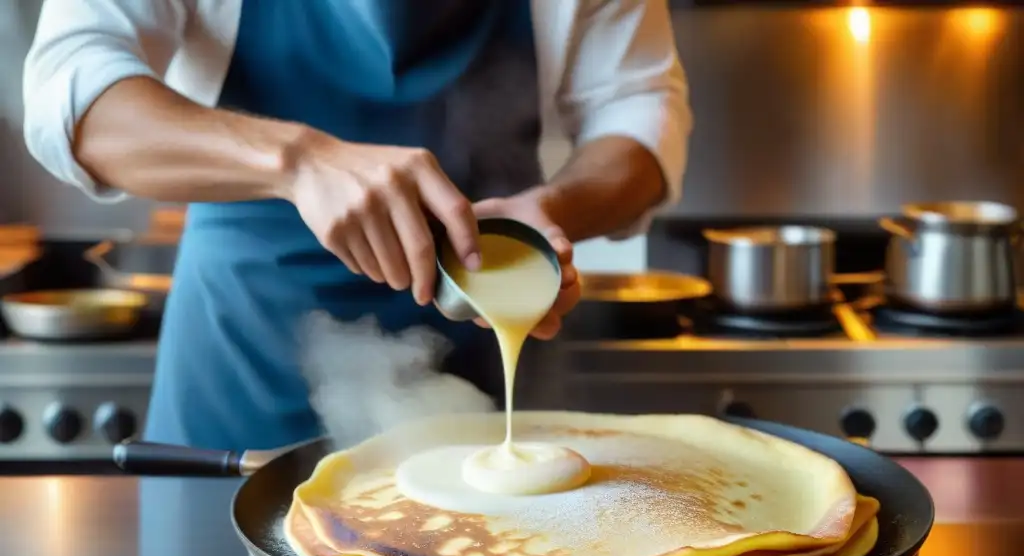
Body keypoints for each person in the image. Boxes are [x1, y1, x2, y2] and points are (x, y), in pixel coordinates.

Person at [23, 0, 691, 452]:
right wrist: (296, 161)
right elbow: (70, 88)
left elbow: (637, 104)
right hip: (245, 355)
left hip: (487, 326)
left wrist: (554, 211)